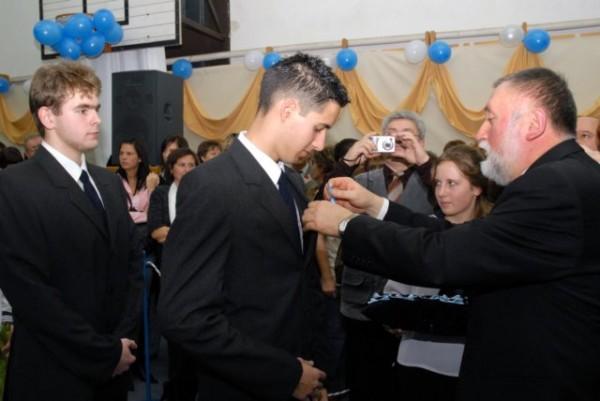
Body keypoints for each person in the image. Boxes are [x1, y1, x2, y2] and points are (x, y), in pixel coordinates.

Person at [303, 67, 600, 401]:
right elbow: (463, 236)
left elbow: (443, 254)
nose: (481, 132)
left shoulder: (554, 185)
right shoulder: (566, 176)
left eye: (490, 119)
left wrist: (346, 224)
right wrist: (375, 205)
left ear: (533, 124)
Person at [158, 53, 349, 401]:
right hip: (241, 384)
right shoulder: (211, 185)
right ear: (288, 110)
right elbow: (184, 316)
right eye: (319, 128)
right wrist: (284, 373)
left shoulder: (291, 181)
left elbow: (294, 283)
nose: (321, 143)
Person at [0, 61, 142, 401]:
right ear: (48, 117)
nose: (96, 119)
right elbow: (32, 294)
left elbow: (132, 267)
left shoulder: (109, 182)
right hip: (53, 372)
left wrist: (122, 342)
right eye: (83, 109)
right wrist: (103, 353)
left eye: (96, 108)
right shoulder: (14, 186)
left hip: (116, 365)